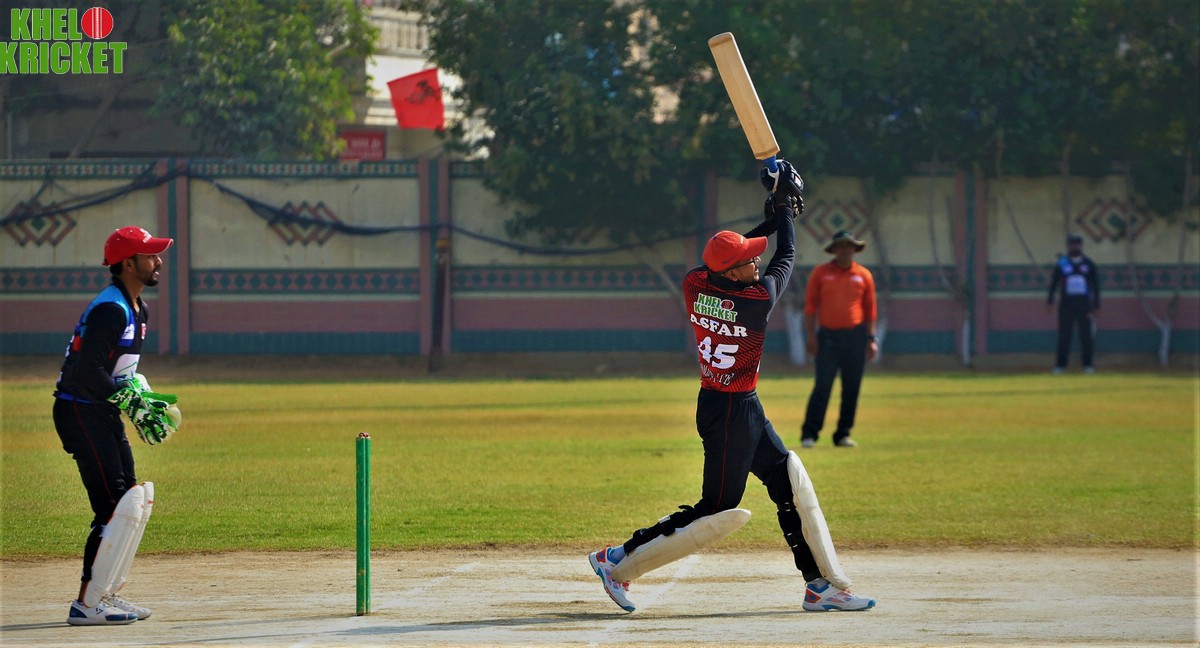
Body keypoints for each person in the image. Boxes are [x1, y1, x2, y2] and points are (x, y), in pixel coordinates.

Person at [587, 160, 875, 614]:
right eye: (748, 260)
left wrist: (776, 213)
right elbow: (787, 256)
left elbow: (731, 256)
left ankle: (819, 586)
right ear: (735, 273)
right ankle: (617, 559)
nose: (756, 260)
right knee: (717, 507)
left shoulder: (695, 283)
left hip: (739, 404)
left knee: (787, 482)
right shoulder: (755, 301)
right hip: (727, 412)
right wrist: (784, 211)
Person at [53, 226, 180, 625]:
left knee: (130, 502)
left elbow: (118, 371)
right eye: (150, 255)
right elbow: (88, 371)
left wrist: (139, 393)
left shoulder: (137, 309)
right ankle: (86, 604)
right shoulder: (112, 308)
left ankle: (104, 594)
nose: (158, 261)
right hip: (79, 410)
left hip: (99, 410)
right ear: (128, 263)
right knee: (112, 506)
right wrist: (126, 400)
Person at [799, 230, 878, 448]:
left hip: (856, 337)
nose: (845, 250)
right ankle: (809, 434)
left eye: (849, 246)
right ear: (834, 249)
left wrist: (871, 339)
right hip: (828, 338)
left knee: (852, 387)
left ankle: (843, 433)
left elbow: (870, 309)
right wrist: (811, 336)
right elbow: (810, 307)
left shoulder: (863, 275)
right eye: (841, 246)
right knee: (822, 385)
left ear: (855, 249)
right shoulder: (821, 273)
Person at [1046, 234, 1100, 374]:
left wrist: (1096, 305)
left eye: (1077, 244)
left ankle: (1088, 365)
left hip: (1084, 305)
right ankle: (1060, 365)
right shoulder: (1062, 263)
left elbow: (1095, 286)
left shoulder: (1088, 263)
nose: (1074, 246)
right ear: (1068, 246)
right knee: (1064, 335)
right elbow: (1054, 284)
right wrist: (1050, 301)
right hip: (1066, 304)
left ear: (1081, 245)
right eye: (1072, 244)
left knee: (1086, 335)